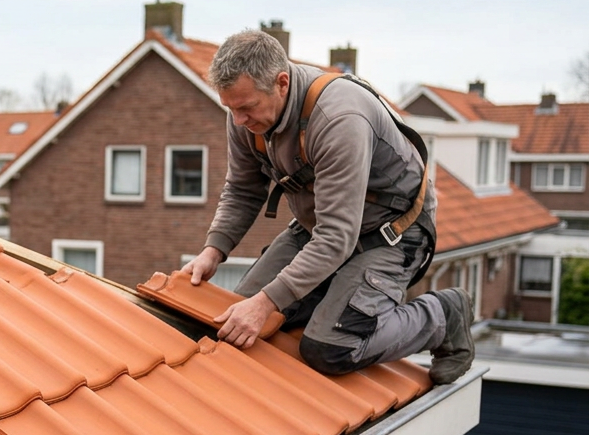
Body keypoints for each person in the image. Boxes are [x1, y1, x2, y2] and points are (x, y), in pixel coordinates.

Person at [180, 30, 473, 383]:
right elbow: (243, 189)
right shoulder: (245, 115)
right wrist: (214, 250)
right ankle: (329, 298)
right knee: (234, 318)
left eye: (246, 108)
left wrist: (268, 302)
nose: (239, 121)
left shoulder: (339, 118)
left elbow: (337, 237)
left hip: (391, 234)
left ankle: (443, 316)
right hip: (317, 228)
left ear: (282, 83)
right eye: (231, 108)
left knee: (329, 346)